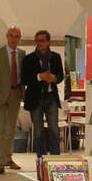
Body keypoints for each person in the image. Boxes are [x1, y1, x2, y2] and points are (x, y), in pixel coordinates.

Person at [0, 26, 24, 174]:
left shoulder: (21, 54)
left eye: (17, 36)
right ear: (7, 36)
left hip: (15, 94)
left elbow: (22, 75)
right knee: (1, 128)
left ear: (19, 38)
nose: (14, 39)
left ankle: (8, 157)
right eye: (11, 35)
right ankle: (0, 161)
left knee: (11, 129)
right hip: (0, 97)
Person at [22, 29, 65, 158]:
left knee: (54, 130)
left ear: (48, 41)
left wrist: (54, 78)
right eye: (37, 41)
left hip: (51, 97)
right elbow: (24, 79)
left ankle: (55, 159)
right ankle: (41, 159)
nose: (39, 43)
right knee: (38, 131)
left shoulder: (55, 57)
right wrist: (39, 77)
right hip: (35, 98)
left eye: (42, 41)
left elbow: (61, 76)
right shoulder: (29, 59)